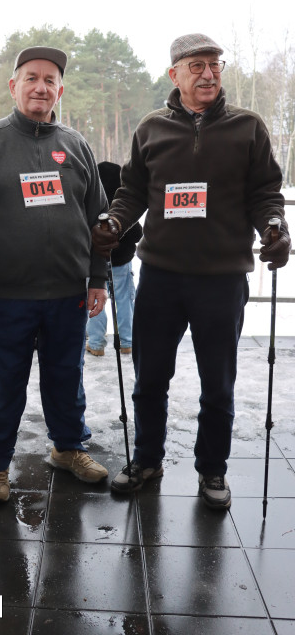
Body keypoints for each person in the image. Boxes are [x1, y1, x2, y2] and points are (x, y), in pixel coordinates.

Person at [92, 33, 291, 510]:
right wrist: (116, 221)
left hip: (222, 279)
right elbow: (132, 191)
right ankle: (146, 459)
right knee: (148, 379)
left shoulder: (248, 128)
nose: (208, 73)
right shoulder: (151, 129)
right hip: (161, 276)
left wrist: (275, 226)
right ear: (175, 74)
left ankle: (212, 469)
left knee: (217, 384)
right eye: (197, 65)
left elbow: (266, 191)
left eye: (215, 65)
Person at [0, 46, 109, 502]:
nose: (40, 87)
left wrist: (98, 278)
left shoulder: (76, 144)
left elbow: (98, 218)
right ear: (14, 85)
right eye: (31, 78)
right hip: (6, 295)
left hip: (68, 294)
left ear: (59, 91)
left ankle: (67, 448)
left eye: (49, 80)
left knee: (66, 379)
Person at [86, 161, 142, 357]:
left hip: (94, 264)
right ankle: (127, 341)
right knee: (125, 300)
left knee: (95, 301)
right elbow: (137, 234)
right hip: (121, 263)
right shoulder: (123, 208)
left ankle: (96, 343)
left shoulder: (92, 206)